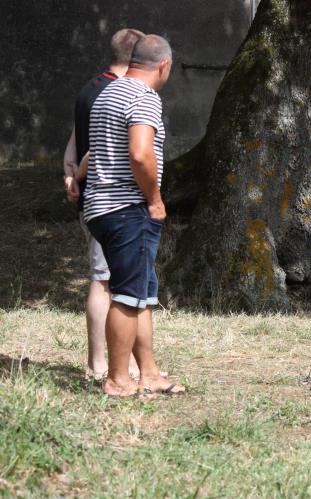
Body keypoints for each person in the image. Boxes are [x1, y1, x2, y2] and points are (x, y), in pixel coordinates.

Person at [84, 34, 184, 397]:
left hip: (100, 208)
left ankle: (150, 373)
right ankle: (117, 379)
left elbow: (93, 152)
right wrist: (154, 199)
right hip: (128, 209)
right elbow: (141, 154)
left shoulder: (107, 93)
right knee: (127, 295)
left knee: (141, 293)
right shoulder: (144, 97)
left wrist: (77, 179)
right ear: (164, 66)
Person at [63, 28, 144, 382]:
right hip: (109, 201)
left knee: (110, 279)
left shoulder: (88, 89)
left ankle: (122, 363)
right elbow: (98, 148)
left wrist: (68, 172)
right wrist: (78, 175)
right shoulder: (118, 93)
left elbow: (74, 139)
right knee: (104, 282)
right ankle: (99, 364)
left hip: (93, 199)